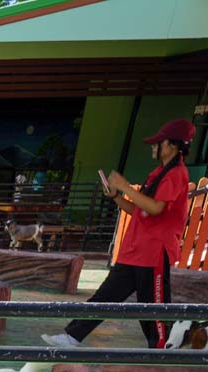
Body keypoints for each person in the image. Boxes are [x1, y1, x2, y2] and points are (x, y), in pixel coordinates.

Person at [42, 119, 195, 350]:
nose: (153, 147)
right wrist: (115, 196)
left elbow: (156, 208)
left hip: (153, 252)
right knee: (104, 296)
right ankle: (72, 336)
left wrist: (124, 186)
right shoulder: (158, 173)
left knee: (154, 307)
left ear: (172, 145)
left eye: (157, 143)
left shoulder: (176, 173)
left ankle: (164, 350)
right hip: (135, 250)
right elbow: (139, 210)